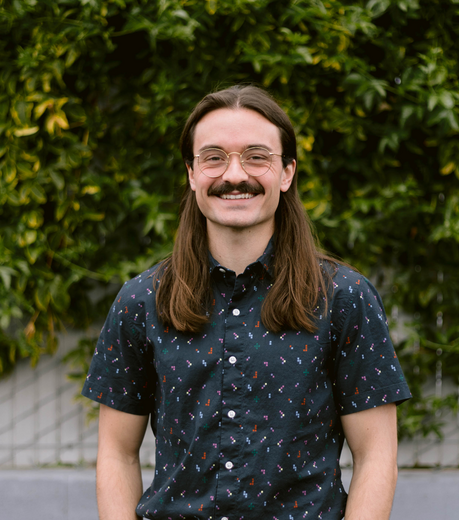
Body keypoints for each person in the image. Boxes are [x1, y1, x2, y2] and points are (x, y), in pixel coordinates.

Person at [82, 84, 411, 520]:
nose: (234, 175)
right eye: (214, 158)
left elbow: (376, 456)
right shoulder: (141, 300)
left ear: (287, 173)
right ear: (192, 174)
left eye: (256, 157)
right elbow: (117, 454)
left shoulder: (345, 298)